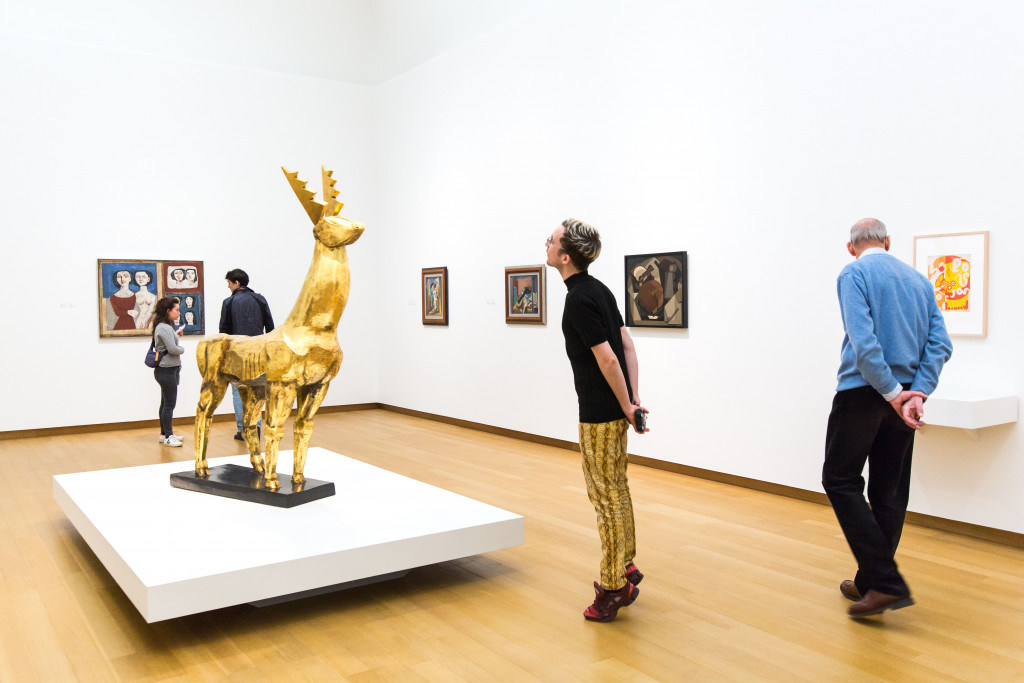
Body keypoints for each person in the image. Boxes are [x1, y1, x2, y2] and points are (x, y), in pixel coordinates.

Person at [822, 218, 952, 618]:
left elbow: (863, 344)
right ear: (888, 242)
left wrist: (892, 393)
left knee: (840, 480)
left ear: (851, 247)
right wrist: (916, 392)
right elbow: (940, 343)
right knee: (889, 491)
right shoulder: (919, 281)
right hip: (903, 399)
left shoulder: (853, 272)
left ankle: (885, 581)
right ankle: (870, 582)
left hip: (863, 395)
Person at [546, 217, 649, 623]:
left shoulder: (578, 298)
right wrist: (633, 399)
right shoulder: (600, 290)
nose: (548, 244)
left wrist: (625, 403)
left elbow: (608, 357)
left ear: (565, 256)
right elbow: (626, 344)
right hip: (615, 411)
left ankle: (612, 588)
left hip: (598, 415)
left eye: (551, 241)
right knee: (617, 487)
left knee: (603, 496)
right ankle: (625, 562)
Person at [219, 268, 274, 440]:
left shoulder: (228, 302)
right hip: (258, 351)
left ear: (237, 283)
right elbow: (270, 327)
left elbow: (223, 332)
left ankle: (243, 429)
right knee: (256, 389)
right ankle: (255, 427)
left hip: (238, 351)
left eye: (229, 283)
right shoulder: (260, 299)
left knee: (238, 390)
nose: (228, 286)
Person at [152, 296, 186, 447]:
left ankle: (164, 433)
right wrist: (182, 349)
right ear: (168, 311)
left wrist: (176, 336)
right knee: (169, 404)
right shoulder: (164, 327)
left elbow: (167, 345)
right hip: (166, 370)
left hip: (165, 369)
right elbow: (173, 349)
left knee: (165, 403)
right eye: (176, 310)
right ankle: (168, 436)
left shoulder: (164, 326)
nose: (179, 313)